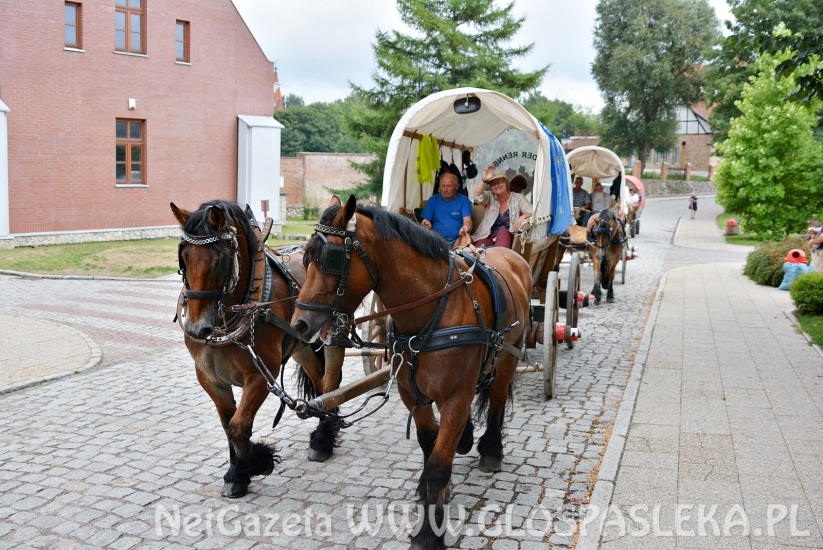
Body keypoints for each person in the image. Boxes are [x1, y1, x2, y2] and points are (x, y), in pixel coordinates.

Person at [472, 165, 533, 248]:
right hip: (489, 236)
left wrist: (522, 217)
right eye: (493, 184)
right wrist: (484, 180)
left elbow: (532, 212)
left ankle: (501, 255)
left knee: (503, 231)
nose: (496, 185)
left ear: (506, 183)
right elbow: (477, 196)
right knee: (476, 247)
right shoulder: (490, 196)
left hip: (509, 237)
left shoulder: (518, 198)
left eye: (499, 182)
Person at [419, 171, 473, 248]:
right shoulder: (433, 200)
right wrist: (425, 224)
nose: (445, 189)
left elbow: (467, 220)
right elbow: (425, 221)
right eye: (443, 186)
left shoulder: (464, 200)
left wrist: (466, 228)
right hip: (437, 240)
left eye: (448, 186)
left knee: (466, 239)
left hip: (458, 240)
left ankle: (457, 254)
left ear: (457, 187)